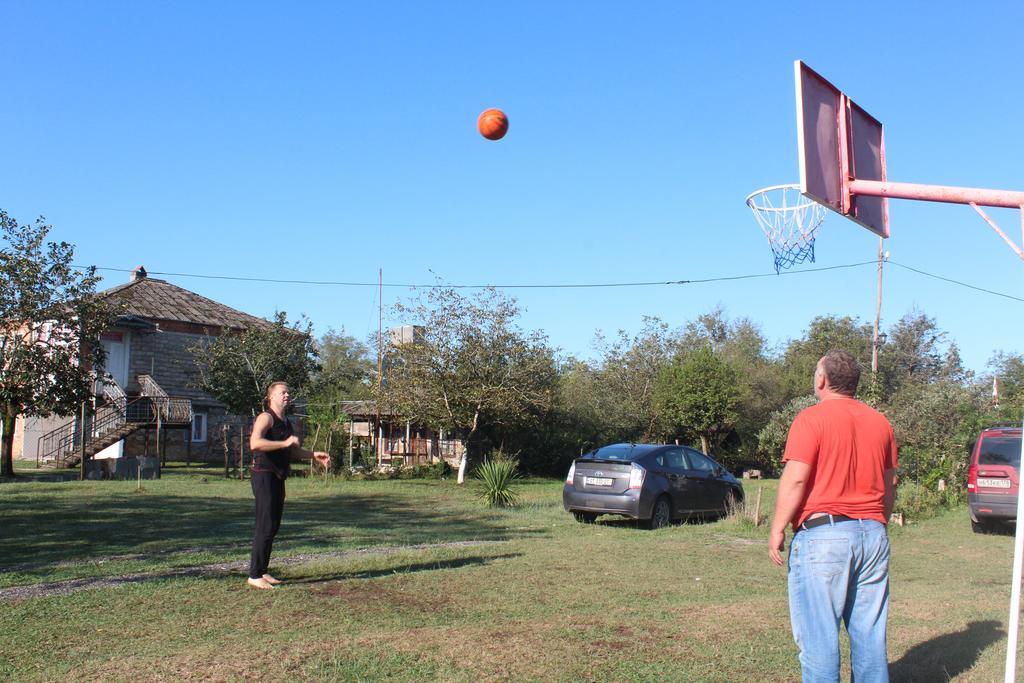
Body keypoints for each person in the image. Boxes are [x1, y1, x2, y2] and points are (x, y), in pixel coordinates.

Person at [768, 350, 898, 682]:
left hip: (824, 535)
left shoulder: (811, 419)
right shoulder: (881, 423)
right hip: (872, 535)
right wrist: (877, 521)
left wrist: (778, 527)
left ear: (823, 380)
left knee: (819, 639)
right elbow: (889, 483)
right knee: (869, 636)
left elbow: (796, 477)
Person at [247, 381, 330, 590]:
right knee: (265, 525)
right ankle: (254, 575)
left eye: (288, 392)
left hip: (278, 476)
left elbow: (292, 451)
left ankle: (263, 570)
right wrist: (283, 443)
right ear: (271, 396)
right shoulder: (266, 418)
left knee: (273, 525)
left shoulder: (286, 422)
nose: (287, 395)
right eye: (283, 392)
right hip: (263, 475)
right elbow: (255, 443)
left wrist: (313, 455)